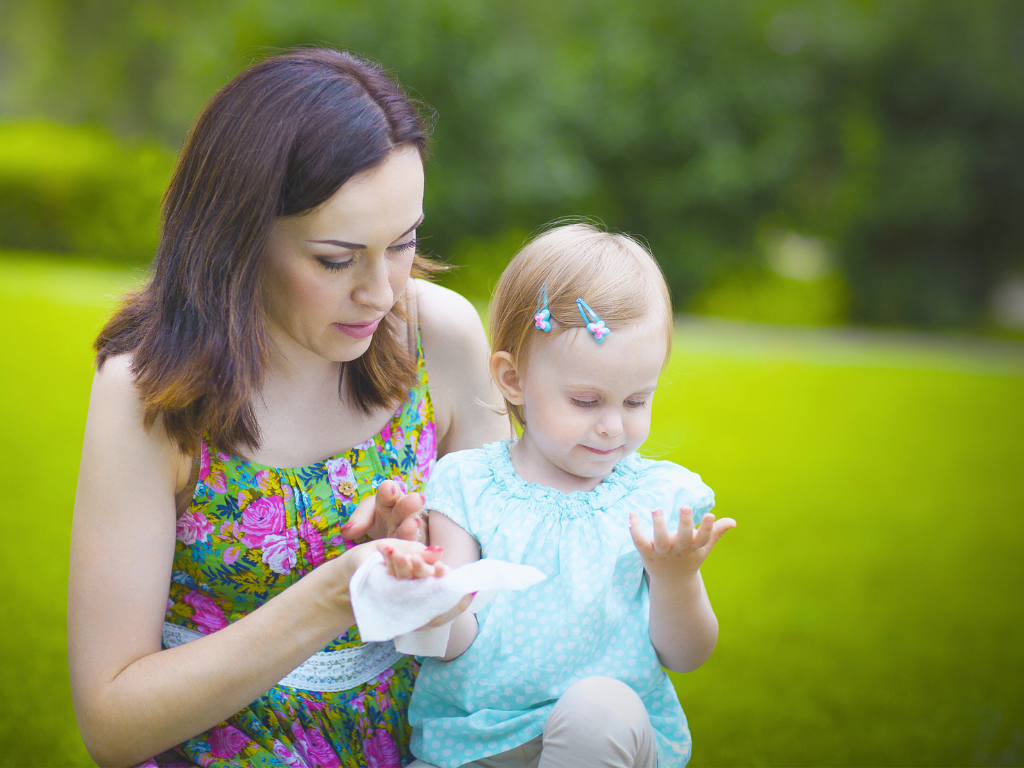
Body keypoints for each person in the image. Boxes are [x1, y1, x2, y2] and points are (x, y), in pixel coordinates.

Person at [67, 48, 508, 767]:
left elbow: (507, 610)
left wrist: (432, 560)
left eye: (404, 243)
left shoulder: (442, 338)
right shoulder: (149, 388)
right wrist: (337, 595)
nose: (382, 291)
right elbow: (112, 723)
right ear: (238, 236)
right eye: (336, 259)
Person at [378, 223, 736, 767]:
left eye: (637, 400)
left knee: (597, 709)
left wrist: (676, 577)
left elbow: (686, 655)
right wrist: (425, 595)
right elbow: (451, 644)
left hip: (600, 743)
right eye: (587, 400)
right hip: (477, 744)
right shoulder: (468, 486)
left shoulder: (654, 500)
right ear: (513, 379)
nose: (613, 427)